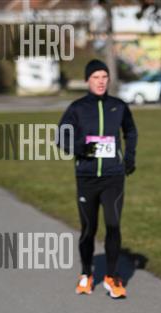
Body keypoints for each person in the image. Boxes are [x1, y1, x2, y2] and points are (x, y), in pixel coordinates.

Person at [58, 59, 137, 298]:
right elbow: (62, 137)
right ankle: (86, 274)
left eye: (104, 77)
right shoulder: (77, 108)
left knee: (113, 225)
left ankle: (111, 277)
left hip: (113, 177)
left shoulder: (118, 106)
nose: (101, 81)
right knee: (88, 228)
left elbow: (130, 131)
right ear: (87, 81)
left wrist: (129, 158)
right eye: (95, 77)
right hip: (87, 177)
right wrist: (82, 148)